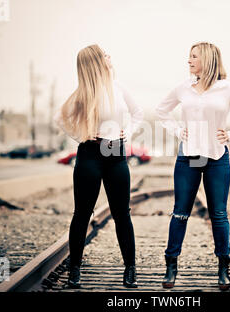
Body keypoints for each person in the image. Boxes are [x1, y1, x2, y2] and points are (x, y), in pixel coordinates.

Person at [155, 42, 230, 290]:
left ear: (207, 60)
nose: (189, 61)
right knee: (180, 213)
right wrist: (178, 131)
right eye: (189, 57)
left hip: (216, 157)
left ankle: (223, 269)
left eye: (193, 57)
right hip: (188, 156)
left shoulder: (227, 89)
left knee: (219, 214)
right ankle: (171, 266)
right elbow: (161, 110)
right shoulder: (184, 88)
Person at [54, 44, 144, 289]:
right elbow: (60, 118)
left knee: (122, 214)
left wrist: (129, 134)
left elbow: (138, 114)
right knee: (82, 214)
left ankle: (130, 269)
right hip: (90, 154)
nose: (109, 56)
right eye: (104, 54)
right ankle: (75, 269)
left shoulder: (119, 87)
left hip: (116, 153)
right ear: (95, 62)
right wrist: (81, 134)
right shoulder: (83, 93)